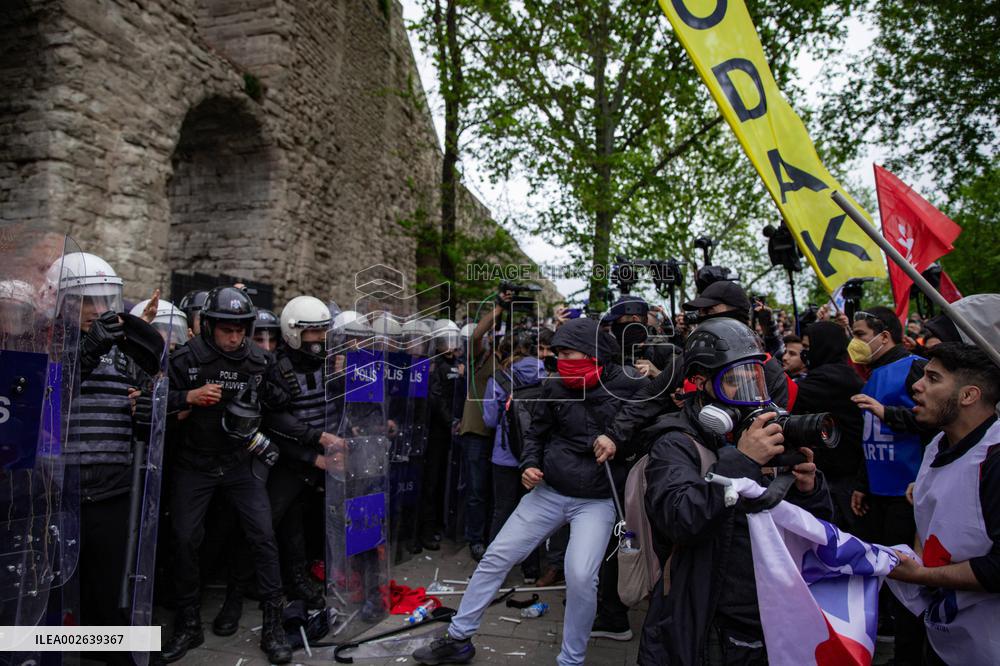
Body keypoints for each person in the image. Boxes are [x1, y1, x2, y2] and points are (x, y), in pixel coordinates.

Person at [413, 317, 642, 666]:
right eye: (557, 353)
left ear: (595, 353)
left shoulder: (628, 384)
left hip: (596, 502)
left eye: (568, 353)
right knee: (496, 557)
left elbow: (652, 406)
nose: (560, 360)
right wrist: (529, 464)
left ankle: (571, 660)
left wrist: (617, 436)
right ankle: (458, 636)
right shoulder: (553, 385)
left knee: (581, 576)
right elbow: (536, 432)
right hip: (549, 491)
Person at [640, 317, 832, 665]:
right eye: (734, 380)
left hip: (769, 615)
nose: (750, 393)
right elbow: (679, 520)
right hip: (708, 620)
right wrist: (742, 461)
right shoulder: (675, 444)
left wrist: (808, 489)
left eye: (754, 379)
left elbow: (813, 532)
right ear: (700, 382)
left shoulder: (760, 434)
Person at [160, 286, 292, 663]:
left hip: (239, 461)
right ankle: (188, 622)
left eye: (240, 330)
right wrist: (188, 397)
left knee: (263, 535)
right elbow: (150, 401)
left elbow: (281, 401)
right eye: (226, 330)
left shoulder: (258, 359)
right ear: (210, 326)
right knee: (185, 538)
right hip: (194, 462)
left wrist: (271, 385)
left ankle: (273, 622)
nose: (234, 338)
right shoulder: (187, 359)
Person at [51, 252, 161, 665]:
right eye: (84, 301)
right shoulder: (47, 344)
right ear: (62, 303)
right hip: (62, 488)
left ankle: (107, 653)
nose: (97, 311)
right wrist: (86, 352)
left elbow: (144, 414)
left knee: (107, 588)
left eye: (103, 301)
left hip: (114, 487)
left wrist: (147, 413)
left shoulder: (121, 351)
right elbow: (46, 401)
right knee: (58, 591)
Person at [887, 342, 1000, 665]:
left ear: (969, 396)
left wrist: (920, 575)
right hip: (947, 638)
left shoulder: (995, 459)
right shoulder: (938, 443)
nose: (917, 386)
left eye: (933, 379)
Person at [848, 305, 928, 661]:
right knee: (882, 575)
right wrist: (863, 483)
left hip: (906, 493)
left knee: (905, 582)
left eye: (861, 334)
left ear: (884, 336)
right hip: (878, 491)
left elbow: (934, 421)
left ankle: (910, 652)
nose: (855, 341)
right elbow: (870, 435)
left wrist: (887, 413)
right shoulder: (874, 372)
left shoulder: (914, 368)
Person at [482, 329, 546, 582]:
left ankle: (494, 569)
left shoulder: (499, 378)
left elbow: (489, 420)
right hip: (536, 456)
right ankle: (532, 569)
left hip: (505, 454)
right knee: (531, 512)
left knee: (502, 510)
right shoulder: (545, 374)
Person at [792, 321, 864, 529]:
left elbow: (790, 395)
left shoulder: (831, 378)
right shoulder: (834, 373)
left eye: (807, 348)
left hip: (842, 484)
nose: (805, 353)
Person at [455, 293, 507, 561]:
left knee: (496, 493)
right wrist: (498, 307)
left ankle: (491, 537)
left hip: (501, 437)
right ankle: (475, 539)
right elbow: (476, 335)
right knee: (477, 490)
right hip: (476, 433)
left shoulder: (504, 360)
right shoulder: (478, 357)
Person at [683, 280, 790, 409]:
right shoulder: (693, 357)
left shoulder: (767, 369)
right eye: (700, 313)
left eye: (708, 311)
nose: (701, 318)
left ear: (735, 313)